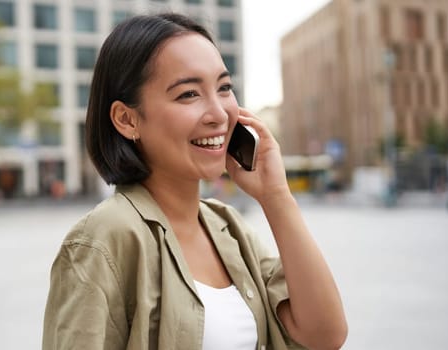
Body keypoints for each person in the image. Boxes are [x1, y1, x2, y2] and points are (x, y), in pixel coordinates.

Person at [43, 13, 347, 350]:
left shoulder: (228, 228)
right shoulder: (104, 240)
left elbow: (325, 336)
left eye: (224, 88)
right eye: (189, 94)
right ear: (126, 119)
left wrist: (276, 196)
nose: (218, 113)